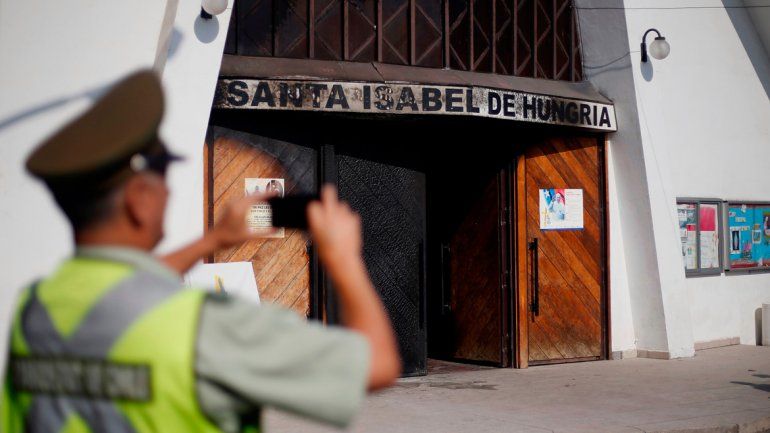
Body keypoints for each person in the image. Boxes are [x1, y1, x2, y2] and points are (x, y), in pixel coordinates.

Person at [2, 70, 400, 432]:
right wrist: (343, 258)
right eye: (163, 175)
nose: (169, 191)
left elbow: (121, 291)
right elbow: (377, 364)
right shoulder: (205, 326)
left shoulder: (35, 311)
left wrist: (213, 240)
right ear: (139, 200)